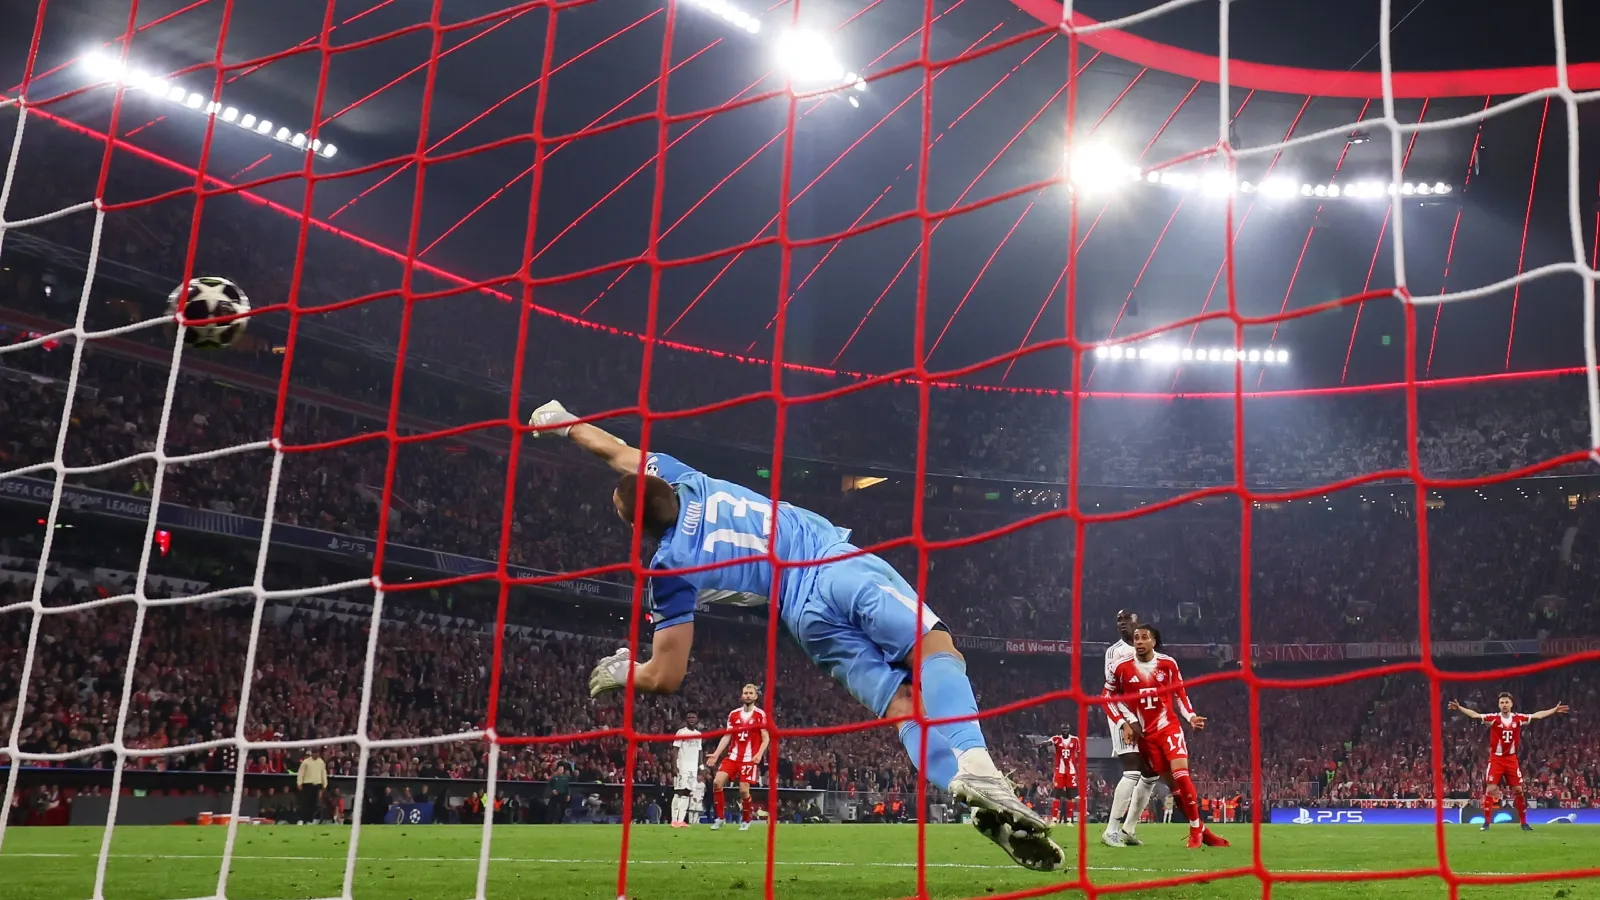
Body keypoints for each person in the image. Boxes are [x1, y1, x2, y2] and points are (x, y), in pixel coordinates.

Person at [530, 399, 1061, 871]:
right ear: (663, 484)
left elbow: (666, 677)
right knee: (935, 649)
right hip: (835, 566)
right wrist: (563, 423)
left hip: (801, 617)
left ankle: (970, 796)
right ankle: (979, 766)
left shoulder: (669, 570)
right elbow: (617, 450)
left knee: (902, 708)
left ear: (634, 528)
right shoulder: (687, 478)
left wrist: (627, 672)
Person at [1104, 624, 1228, 850]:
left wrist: (1190, 717)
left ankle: (1194, 831)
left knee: (1181, 775)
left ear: (1154, 641)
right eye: (1136, 638)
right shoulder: (1121, 667)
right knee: (1174, 787)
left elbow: (1180, 693)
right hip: (1145, 736)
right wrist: (1124, 723)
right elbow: (1108, 697)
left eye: (1144, 638)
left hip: (1168, 728)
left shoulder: (1168, 664)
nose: (1139, 642)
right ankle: (1202, 829)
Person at [1449, 693, 1569, 830]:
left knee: (1518, 790)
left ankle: (1524, 823)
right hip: (1496, 759)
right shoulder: (1493, 718)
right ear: (1499, 705)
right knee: (1491, 789)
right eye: (1502, 702)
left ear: (1511, 704)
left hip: (1511, 759)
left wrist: (1554, 710)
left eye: (1507, 702)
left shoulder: (1518, 718)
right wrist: (1460, 708)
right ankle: (1486, 823)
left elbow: (1538, 715)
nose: (1504, 704)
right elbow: (1474, 715)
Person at [1101, 609, 1159, 848]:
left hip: (1145, 718)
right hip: (1122, 716)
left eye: (1127, 620)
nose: (1122, 624)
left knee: (1151, 774)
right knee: (1132, 770)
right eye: (1119, 621)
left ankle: (1128, 829)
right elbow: (1113, 692)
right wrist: (1124, 722)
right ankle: (1111, 830)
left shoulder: (1149, 655)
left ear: (1138, 624)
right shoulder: (1115, 652)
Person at [705, 684, 769, 831]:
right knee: (717, 782)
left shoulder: (760, 715)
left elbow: (766, 738)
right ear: (741, 696)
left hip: (749, 758)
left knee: (743, 791)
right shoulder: (733, 714)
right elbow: (727, 736)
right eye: (745, 693)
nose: (747, 695)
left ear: (755, 696)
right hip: (732, 757)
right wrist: (716, 753)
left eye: (750, 693)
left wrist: (759, 754)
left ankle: (746, 819)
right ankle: (720, 818)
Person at [1036, 725, 1081, 825]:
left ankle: (1069, 820)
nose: (1065, 730)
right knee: (1057, 795)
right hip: (1059, 771)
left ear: (1069, 729)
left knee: (1070, 796)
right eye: (1063, 729)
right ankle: (1054, 819)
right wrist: (1042, 744)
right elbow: (1048, 743)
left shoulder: (1075, 740)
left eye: (1066, 729)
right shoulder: (1056, 738)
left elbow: (1080, 753)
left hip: (1071, 771)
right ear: (1061, 730)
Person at [671, 711, 704, 828]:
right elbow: (675, 750)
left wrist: (701, 767)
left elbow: (700, 751)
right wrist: (674, 766)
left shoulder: (698, 734)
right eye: (689, 717)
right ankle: (674, 820)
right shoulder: (681, 732)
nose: (691, 719)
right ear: (686, 719)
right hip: (682, 766)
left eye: (693, 717)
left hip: (692, 768)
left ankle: (681, 820)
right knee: (678, 792)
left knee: (687, 792)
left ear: (697, 719)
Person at [294, 749, 327, 825]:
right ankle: (302, 819)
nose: (316, 754)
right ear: (312, 753)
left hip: (317, 784)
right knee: (305, 803)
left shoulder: (321, 762)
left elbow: (323, 773)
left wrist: (324, 784)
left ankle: (309, 820)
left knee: (313, 804)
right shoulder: (305, 762)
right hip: (307, 784)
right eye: (314, 753)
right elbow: (300, 773)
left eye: (317, 753)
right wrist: (299, 783)